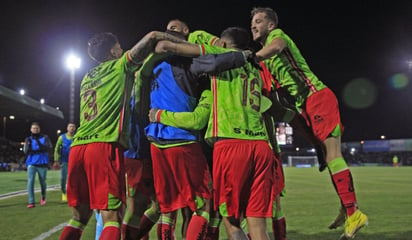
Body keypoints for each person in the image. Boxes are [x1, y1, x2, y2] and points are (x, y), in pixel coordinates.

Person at [59, 30, 192, 240]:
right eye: (119, 47)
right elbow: (151, 37)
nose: (122, 50)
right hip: (102, 147)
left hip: (78, 148)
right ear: (113, 50)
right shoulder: (120, 65)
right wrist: (182, 43)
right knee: (112, 217)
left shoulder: (86, 77)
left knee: (78, 218)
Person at [250, 7, 368, 239]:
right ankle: (347, 209)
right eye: (252, 22)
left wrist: (253, 57)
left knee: (333, 155)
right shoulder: (264, 61)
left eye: (258, 21)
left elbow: (278, 47)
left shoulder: (276, 37)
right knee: (328, 156)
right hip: (306, 106)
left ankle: (354, 212)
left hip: (317, 97)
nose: (253, 25)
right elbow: (272, 94)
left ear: (270, 25)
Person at [149, 27, 277, 240]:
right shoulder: (255, 67)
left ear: (223, 44)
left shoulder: (218, 54)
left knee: (231, 221)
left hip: (231, 143)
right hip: (261, 146)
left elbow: (172, 49)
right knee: (257, 224)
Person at [23, 121, 53, 208]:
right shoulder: (28, 139)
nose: (35, 130)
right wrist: (40, 149)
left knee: (42, 182)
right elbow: (26, 151)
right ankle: (31, 201)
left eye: (37, 128)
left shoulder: (45, 137)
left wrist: (36, 145)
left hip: (42, 163)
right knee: (30, 182)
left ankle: (43, 197)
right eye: (33, 128)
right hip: (31, 163)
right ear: (30, 129)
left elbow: (48, 148)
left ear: (39, 129)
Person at [54, 122, 76, 202]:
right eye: (70, 126)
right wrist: (56, 160)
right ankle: (64, 192)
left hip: (75, 162)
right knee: (63, 179)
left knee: (73, 179)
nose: (72, 128)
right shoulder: (62, 137)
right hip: (64, 161)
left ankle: (72, 194)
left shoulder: (77, 137)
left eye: (73, 127)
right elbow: (56, 149)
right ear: (67, 128)